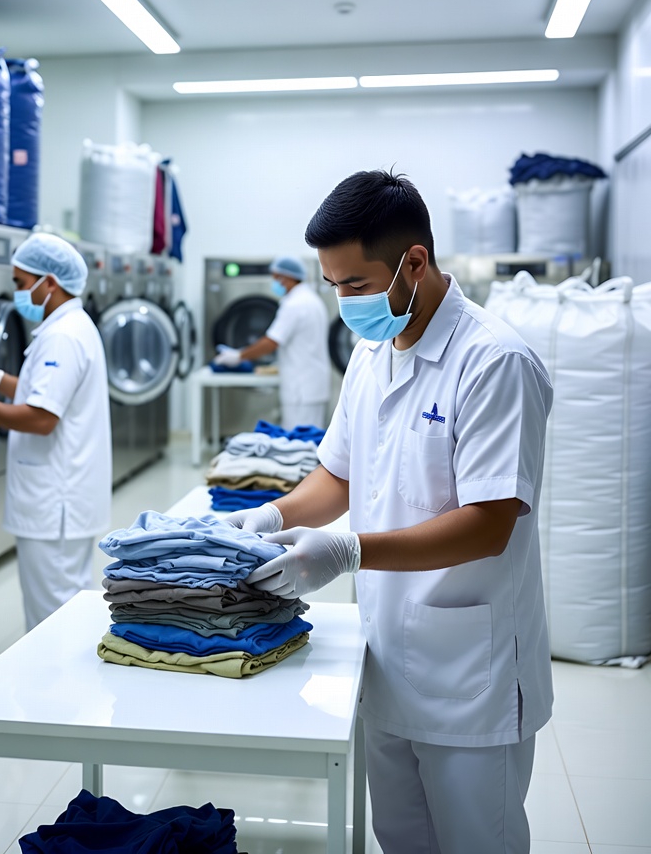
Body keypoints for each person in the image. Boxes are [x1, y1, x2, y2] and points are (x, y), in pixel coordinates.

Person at [230, 171, 553, 853]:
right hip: (383, 658)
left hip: (471, 672)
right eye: (333, 285)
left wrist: (349, 551)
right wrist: (270, 514)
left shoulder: (494, 361)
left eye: (357, 284)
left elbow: (490, 523)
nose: (345, 302)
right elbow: (338, 475)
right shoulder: (371, 354)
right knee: (400, 837)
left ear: (415, 262)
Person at [0, 233, 112, 631]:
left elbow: (41, 417)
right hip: (65, 496)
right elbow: (44, 391)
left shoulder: (62, 337)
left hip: (55, 501)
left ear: (49, 282)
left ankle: (55, 673)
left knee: (51, 616)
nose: (18, 292)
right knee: (66, 603)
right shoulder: (73, 325)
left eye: (21, 283)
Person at [213, 255, 332, 429]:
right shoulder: (312, 299)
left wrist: (238, 356)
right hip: (311, 383)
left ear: (288, 277)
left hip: (301, 389)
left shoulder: (294, 304)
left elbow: (271, 342)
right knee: (310, 437)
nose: (274, 283)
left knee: (299, 440)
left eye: (276, 278)